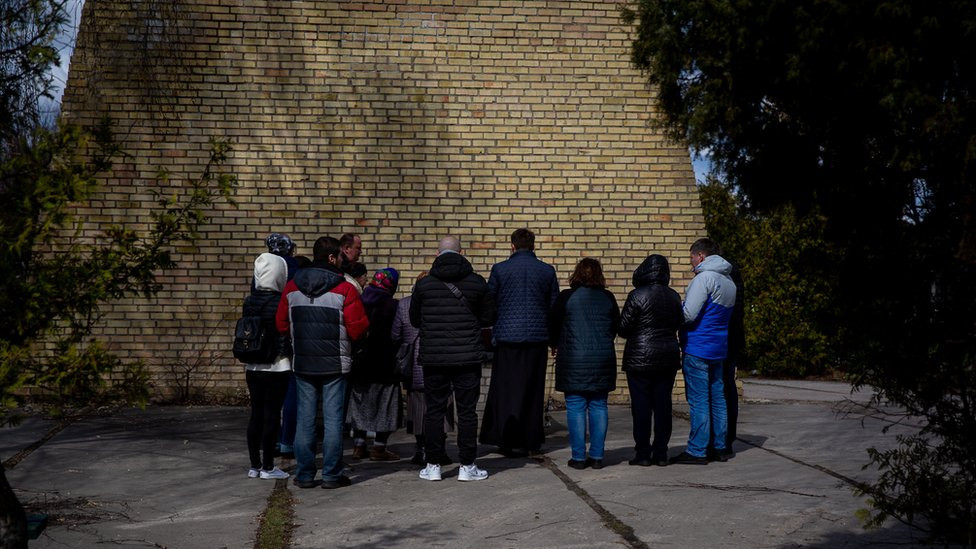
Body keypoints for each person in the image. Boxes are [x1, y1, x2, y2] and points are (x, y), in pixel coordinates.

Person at [276, 236, 369, 488]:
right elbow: (358, 328)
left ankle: (305, 474)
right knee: (333, 420)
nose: (342, 260)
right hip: (336, 364)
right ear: (331, 257)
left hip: (304, 362)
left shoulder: (292, 287)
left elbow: (281, 324)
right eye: (340, 255)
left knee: (305, 420)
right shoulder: (345, 288)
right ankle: (331, 474)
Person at [410, 236, 494, 481]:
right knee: (467, 412)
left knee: (434, 411)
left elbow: (415, 320)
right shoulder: (477, 283)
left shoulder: (424, 286)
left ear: (438, 254)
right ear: (461, 253)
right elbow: (489, 317)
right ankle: (467, 466)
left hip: (435, 359)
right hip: (468, 358)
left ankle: (433, 465)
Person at [479, 228, 559, 457]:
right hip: (536, 340)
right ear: (533, 246)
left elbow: (489, 304)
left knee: (505, 391)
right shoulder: (546, 271)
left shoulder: (500, 270)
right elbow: (553, 308)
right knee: (533, 391)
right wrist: (554, 340)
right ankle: (530, 439)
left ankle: (506, 439)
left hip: (507, 339)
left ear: (512, 246)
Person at [548, 258, 619, 470]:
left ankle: (578, 457)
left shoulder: (566, 297)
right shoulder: (608, 297)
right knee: (598, 405)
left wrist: (555, 344)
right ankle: (597, 456)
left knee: (576, 406)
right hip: (602, 358)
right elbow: (616, 325)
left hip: (573, 359)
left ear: (576, 274)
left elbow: (553, 324)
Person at [671, 238, 737, 465]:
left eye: (691, 258)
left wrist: (675, 311)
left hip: (698, 346)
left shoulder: (704, 278)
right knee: (718, 398)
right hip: (719, 347)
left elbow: (688, 314)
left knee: (699, 400)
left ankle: (697, 449)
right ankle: (719, 447)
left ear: (701, 256)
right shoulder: (729, 282)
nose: (691, 263)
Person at [618, 254, 684, 467]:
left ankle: (643, 453)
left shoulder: (637, 295)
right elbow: (678, 323)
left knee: (641, 406)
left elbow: (624, 328)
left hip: (640, 357)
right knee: (663, 404)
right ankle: (662, 452)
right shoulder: (673, 296)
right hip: (667, 355)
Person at [391, 271, 455, 466]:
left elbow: (395, 334)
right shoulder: (445, 303)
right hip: (441, 362)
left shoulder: (403, 304)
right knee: (441, 407)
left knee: (418, 409)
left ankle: (421, 450)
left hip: (414, 364)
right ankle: (439, 450)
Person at [243, 253, 292, 480]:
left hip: (253, 364)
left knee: (256, 414)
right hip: (277, 365)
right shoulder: (282, 301)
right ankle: (269, 466)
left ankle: (254, 465)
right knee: (273, 414)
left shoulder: (249, 301)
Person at [348, 268, 403, 462]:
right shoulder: (393, 305)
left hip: (360, 362)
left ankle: (359, 445)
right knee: (385, 404)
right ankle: (379, 448)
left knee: (360, 403)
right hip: (385, 363)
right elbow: (397, 334)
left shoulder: (359, 301)